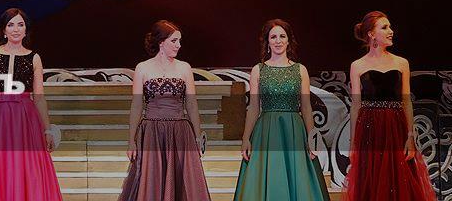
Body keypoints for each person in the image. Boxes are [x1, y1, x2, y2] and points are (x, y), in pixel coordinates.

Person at [0, 8, 62, 201]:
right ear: (3, 30)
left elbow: (39, 97)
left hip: (24, 120)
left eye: (20, 24)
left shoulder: (34, 57)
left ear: (26, 30)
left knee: (26, 167)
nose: (16, 29)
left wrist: (47, 130)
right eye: (11, 25)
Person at [343, 11, 436, 201]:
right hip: (369, 129)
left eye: (390, 27)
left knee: (400, 179)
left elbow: (406, 101)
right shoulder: (357, 65)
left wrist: (410, 137)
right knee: (372, 179)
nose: (391, 31)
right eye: (385, 27)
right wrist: (353, 143)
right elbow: (355, 105)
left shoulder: (401, 63)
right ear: (371, 34)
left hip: (396, 127)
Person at [233, 19, 330, 201]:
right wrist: (246, 138)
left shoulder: (300, 70)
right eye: (273, 37)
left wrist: (312, 138)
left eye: (282, 36)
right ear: (267, 41)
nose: (278, 41)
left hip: (294, 129)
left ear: (288, 40)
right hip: (266, 130)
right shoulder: (258, 70)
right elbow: (253, 107)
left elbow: (306, 107)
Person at [117, 20, 210, 201]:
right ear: (161, 42)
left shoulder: (184, 68)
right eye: (174, 41)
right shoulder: (142, 68)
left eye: (179, 41)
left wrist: (198, 137)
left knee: (182, 183)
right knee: (152, 181)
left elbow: (191, 104)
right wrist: (131, 141)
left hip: (180, 132)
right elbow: (136, 106)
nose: (179, 45)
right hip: (151, 133)